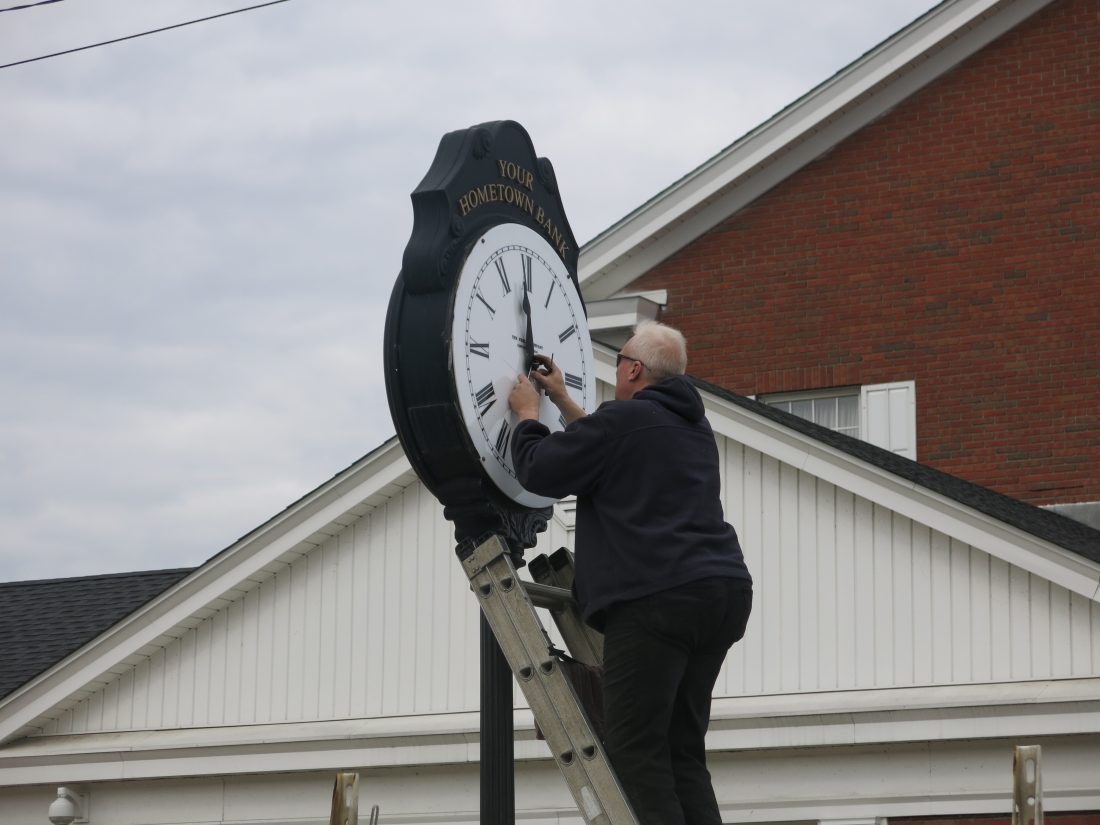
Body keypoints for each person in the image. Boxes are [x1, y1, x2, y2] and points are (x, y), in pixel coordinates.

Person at [507, 320, 753, 825]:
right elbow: (611, 446)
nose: (617, 368)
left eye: (619, 360)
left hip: (657, 596)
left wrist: (529, 415)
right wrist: (564, 401)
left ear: (635, 369)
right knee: (681, 749)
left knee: (634, 749)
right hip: (721, 593)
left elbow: (542, 469)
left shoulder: (621, 423)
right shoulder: (691, 426)